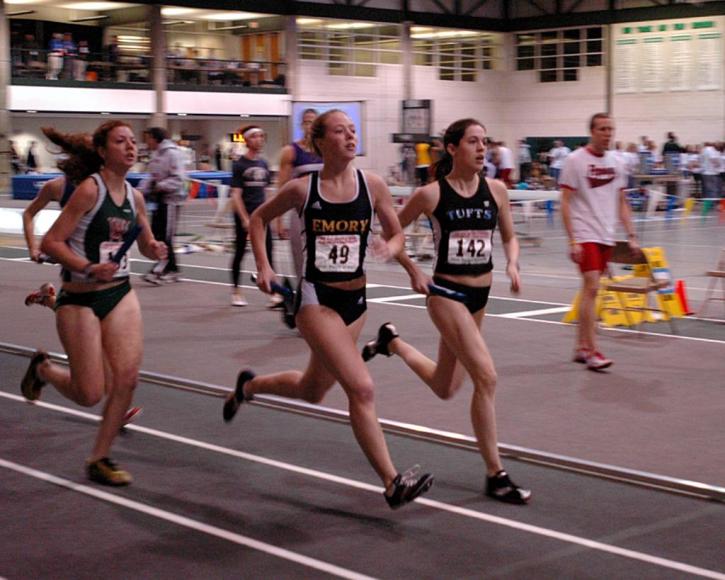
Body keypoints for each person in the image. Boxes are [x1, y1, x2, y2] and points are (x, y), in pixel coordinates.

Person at [223, 109, 434, 509]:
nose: (351, 136)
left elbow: (396, 233)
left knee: (313, 389)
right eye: (340, 131)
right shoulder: (303, 190)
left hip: (356, 303)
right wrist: (264, 266)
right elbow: (257, 218)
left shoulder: (372, 186)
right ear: (321, 142)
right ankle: (392, 483)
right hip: (316, 301)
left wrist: (398, 254)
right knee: (362, 387)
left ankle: (248, 386)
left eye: (354, 130)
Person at [362, 118, 530, 505]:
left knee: (446, 386)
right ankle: (495, 474)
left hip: (480, 296)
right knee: (486, 377)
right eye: (473, 142)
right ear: (452, 148)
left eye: (485, 142)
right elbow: (392, 233)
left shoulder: (498, 191)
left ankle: (393, 343)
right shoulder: (430, 194)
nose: (482, 148)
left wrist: (513, 264)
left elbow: (509, 236)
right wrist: (412, 269)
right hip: (445, 294)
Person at [20, 120, 166, 486]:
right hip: (79, 299)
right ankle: (43, 371)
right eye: (121, 141)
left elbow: (145, 240)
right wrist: (87, 266)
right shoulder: (88, 191)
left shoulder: (135, 197)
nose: (131, 147)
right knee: (89, 393)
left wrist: (154, 248)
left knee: (128, 377)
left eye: (134, 141)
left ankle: (99, 457)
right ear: (102, 151)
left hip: (118, 293)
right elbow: (53, 242)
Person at [559, 113, 638, 371]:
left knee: (590, 289)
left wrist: (631, 235)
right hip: (585, 233)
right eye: (603, 129)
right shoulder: (575, 160)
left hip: (607, 233)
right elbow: (565, 202)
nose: (608, 133)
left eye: (611, 129)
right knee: (592, 287)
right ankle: (593, 351)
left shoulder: (617, 162)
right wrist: (573, 240)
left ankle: (581, 346)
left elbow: (621, 201)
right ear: (592, 131)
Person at [229, 125, 277, 307]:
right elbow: (236, 194)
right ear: (247, 141)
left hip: (262, 217)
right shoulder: (239, 165)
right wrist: (244, 219)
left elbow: (267, 192)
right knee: (240, 252)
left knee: (268, 252)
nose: (259, 139)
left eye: (261, 136)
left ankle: (273, 292)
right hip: (246, 216)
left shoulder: (264, 164)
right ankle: (236, 291)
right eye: (255, 136)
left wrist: (271, 214)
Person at [276, 108, 323, 280]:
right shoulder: (291, 151)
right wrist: (279, 220)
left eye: (314, 122)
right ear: (302, 125)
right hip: (300, 211)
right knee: (300, 258)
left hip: (324, 211)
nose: (310, 126)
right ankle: (303, 297)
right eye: (307, 122)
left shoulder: (327, 151)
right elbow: (282, 187)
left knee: (323, 259)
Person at [140, 127, 185, 284]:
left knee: (166, 236)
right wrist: (139, 192)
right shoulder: (156, 155)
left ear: (155, 138)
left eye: (148, 138)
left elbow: (179, 179)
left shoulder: (172, 153)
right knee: (157, 234)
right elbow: (151, 178)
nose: (146, 142)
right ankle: (171, 269)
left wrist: (159, 186)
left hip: (171, 200)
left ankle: (162, 269)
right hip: (159, 201)